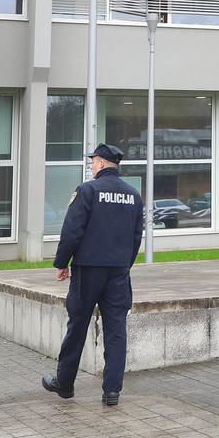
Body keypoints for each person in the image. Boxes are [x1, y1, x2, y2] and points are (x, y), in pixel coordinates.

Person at [42, 143, 143, 406]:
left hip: (88, 271)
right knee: (116, 329)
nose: (91, 165)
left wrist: (61, 263)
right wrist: (125, 265)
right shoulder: (133, 195)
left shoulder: (88, 190)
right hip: (118, 272)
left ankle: (64, 384)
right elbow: (136, 237)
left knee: (77, 326)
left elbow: (72, 231)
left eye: (93, 161)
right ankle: (112, 391)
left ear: (101, 163)